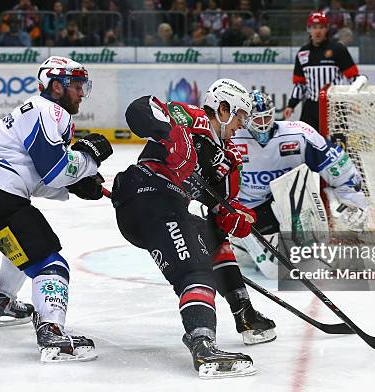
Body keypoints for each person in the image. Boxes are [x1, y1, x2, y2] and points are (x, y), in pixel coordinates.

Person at [0, 56, 113, 362]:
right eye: (76, 86)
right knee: (51, 264)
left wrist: (75, 184)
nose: (81, 92)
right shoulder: (47, 109)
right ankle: (52, 335)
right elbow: (55, 170)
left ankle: (2, 302)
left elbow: (35, 177)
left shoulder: (29, 112)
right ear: (55, 87)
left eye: (83, 86)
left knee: (21, 244)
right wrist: (88, 160)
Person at [112, 79, 276, 378]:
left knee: (213, 237)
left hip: (169, 208)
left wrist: (231, 216)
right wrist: (171, 134)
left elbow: (219, 212)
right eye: (239, 117)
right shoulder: (191, 118)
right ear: (223, 108)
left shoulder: (228, 159)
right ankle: (202, 345)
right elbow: (140, 109)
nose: (242, 126)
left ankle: (244, 312)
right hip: (145, 194)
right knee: (195, 272)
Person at [232, 91, 366, 271]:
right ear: (246, 119)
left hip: (292, 210)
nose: (264, 125)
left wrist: (353, 201)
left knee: (297, 186)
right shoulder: (232, 138)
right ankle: (245, 243)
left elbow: (337, 165)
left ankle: (303, 246)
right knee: (272, 270)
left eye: (267, 117)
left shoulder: (299, 134)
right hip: (249, 212)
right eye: (257, 119)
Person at [284, 11, 359, 131]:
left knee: (338, 143)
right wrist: (291, 105)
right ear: (308, 29)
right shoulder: (303, 53)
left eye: (321, 27)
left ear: (327, 29)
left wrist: (355, 100)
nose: (317, 31)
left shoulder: (338, 49)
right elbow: (300, 84)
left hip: (335, 105)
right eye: (314, 27)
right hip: (312, 107)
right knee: (306, 142)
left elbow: (354, 77)